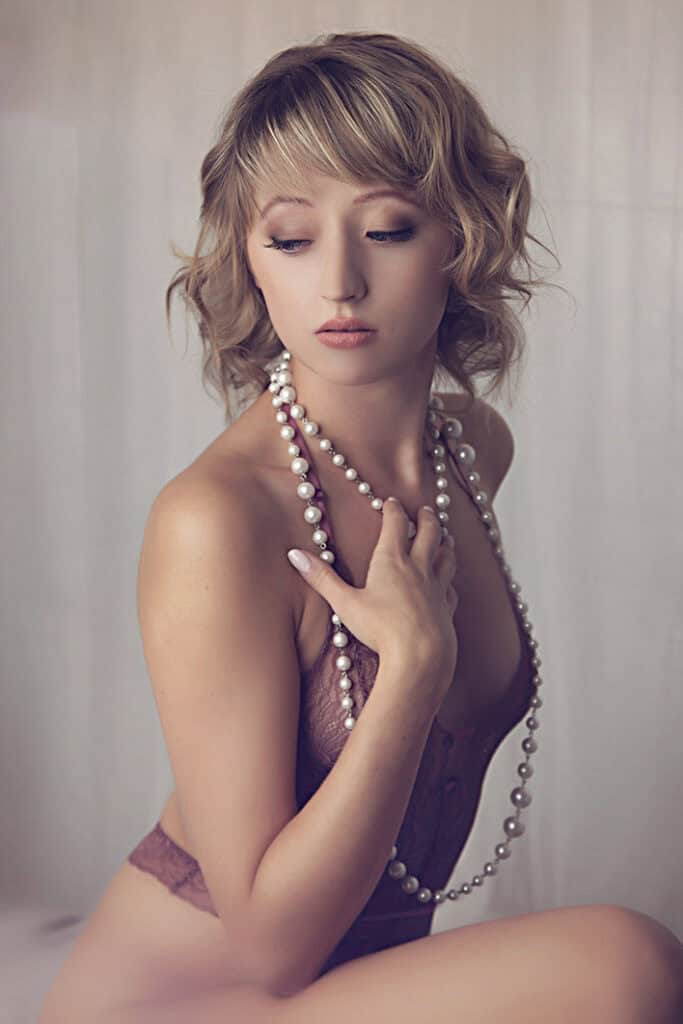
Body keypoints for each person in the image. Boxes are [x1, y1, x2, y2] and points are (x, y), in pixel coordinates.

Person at [39, 29, 683, 1024]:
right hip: (195, 995)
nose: (336, 281)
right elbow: (268, 951)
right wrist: (410, 675)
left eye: (385, 228)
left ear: (462, 239)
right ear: (249, 260)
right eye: (289, 239)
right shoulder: (219, 520)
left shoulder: (472, 447)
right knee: (623, 963)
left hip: (350, 990)